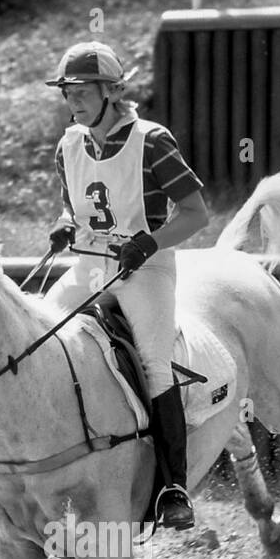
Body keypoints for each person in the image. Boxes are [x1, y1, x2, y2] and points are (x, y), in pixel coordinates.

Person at [42, 40, 209, 529]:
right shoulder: (69, 143)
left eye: (81, 91)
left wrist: (151, 243)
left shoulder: (152, 141)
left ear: (111, 91)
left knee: (156, 365)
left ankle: (173, 488)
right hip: (90, 267)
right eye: (66, 92)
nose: (72, 101)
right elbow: (74, 205)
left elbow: (197, 213)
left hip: (145, 271)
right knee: (38, 339)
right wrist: (65, 223)